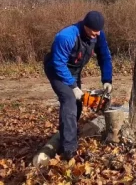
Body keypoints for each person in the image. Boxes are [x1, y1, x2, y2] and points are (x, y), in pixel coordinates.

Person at [44, 11, 112, 161]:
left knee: (77, 104)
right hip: (56, 70)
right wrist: (74, 87)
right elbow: (58, 64)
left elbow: (105, 56)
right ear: (85, 26)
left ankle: (67, 135)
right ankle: (68, 150)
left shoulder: (98, 35)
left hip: (74, 70)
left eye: (98, 31)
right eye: (93, 31)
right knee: (69, 100)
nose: (96, 34)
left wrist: (107, 79)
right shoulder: (66, 37)